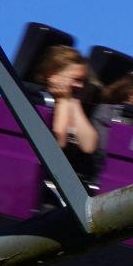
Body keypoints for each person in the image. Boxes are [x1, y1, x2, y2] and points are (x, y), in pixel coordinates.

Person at [34, 45, 101, 181]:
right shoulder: (40, 101)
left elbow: (89, 146)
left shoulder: (74, 103)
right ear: (53, 75)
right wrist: (63, 102)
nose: (80, 86)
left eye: (83, 81)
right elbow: (58, 143)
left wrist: (73, 103)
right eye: (76, 80)